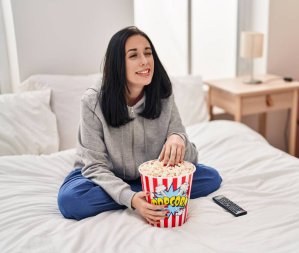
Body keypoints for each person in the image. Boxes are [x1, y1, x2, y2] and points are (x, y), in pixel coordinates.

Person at [57, 26, 222, 222]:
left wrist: (178, 138)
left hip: (153, 176)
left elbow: (191, 159)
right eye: (133, 55)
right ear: (118, 64)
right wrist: (131, 198)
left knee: (211, 178)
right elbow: (94, 167)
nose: (145, 62)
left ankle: (149, 193)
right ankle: (152, 195)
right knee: (71, 200)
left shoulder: (162, 94)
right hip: (101, 177)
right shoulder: (93, 101)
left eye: (148, 53)